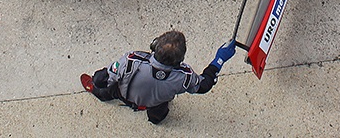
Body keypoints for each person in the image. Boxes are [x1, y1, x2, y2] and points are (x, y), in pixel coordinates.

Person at [81, 31, 236, 125]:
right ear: (180, 59)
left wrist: (98, 77)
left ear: (155, 46)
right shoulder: (184, 77)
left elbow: (102, 79)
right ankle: (154, 120)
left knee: (105, 90)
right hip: (156, 104)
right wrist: (219, 60)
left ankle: (96, 93)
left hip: (123, 93)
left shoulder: (131, 61)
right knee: (158, 115)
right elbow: (204, 85)